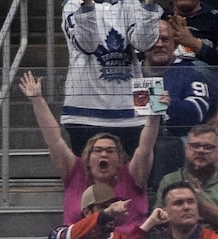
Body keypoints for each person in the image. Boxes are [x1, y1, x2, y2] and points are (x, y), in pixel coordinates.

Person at [59, 0, 162, 154]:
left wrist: (148, 5)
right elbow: (88, 45)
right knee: (88, 176)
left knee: (135, 176)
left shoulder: (131, 3)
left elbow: (143, 43)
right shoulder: (73, 4)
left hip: (131, 115)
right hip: (84, 115)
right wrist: (87, 5)